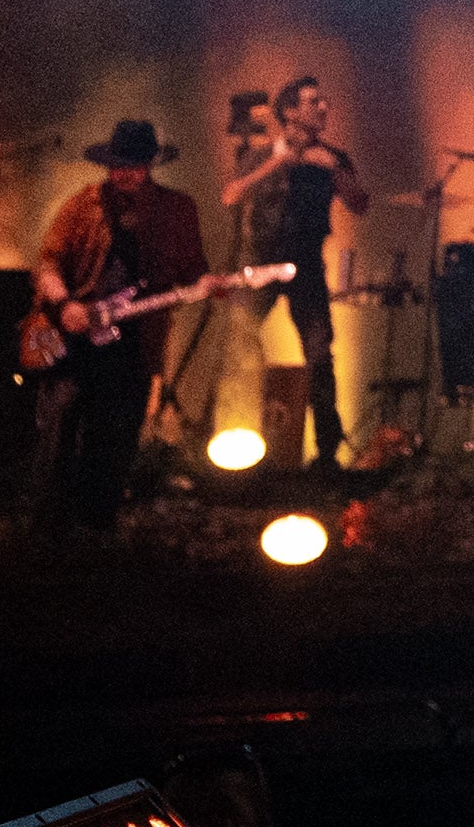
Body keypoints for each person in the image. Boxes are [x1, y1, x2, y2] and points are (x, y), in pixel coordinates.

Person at [36, 118, 210, 531]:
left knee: (115, 436)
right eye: (117, 164)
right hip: (73, 334)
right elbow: (47, 262)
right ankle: (48, 528)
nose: (123, 173)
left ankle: (97, 529)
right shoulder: (84, 204)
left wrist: (209, 285)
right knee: (57, 428)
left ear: (150, 164)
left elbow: (194, 272)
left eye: (133, 164)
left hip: (134, 341)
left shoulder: (176, 209)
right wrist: (64, 304)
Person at [220, 77, 368, 466]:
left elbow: (359, 204)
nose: (322, 108)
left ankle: (327, 453)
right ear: (289, 112)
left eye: (323, 101)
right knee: (238, 343)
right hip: (262, 262)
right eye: (312, 102)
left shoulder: (333, 158)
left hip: (306, 264)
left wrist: (336, 170)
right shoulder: (264, 153)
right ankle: (233, 440)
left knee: (319, 355)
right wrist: (276, 163)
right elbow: (231, 195)